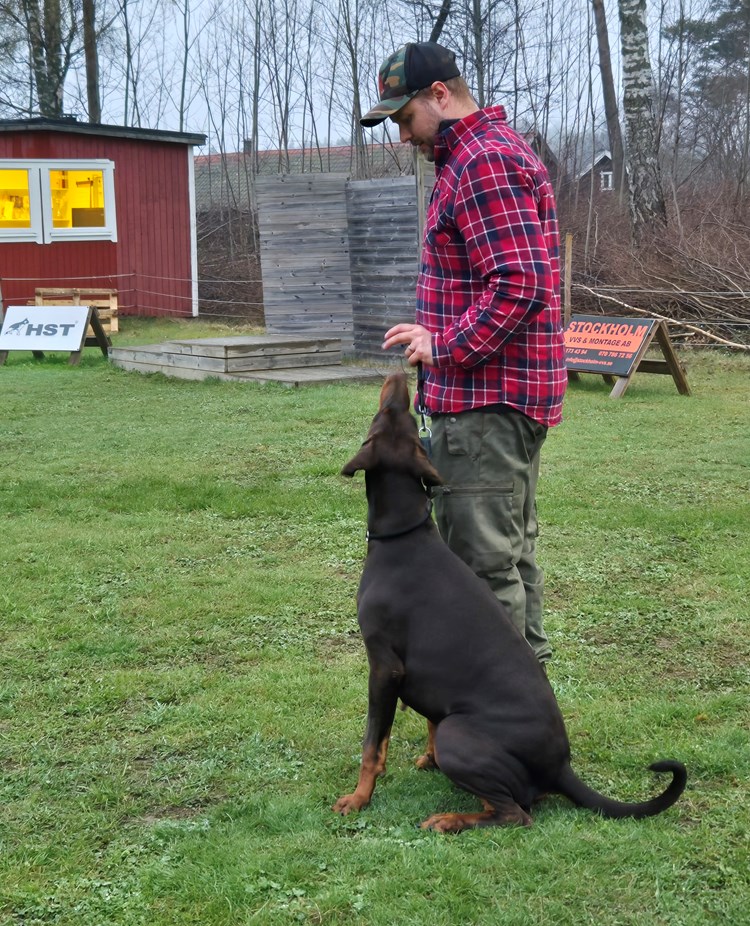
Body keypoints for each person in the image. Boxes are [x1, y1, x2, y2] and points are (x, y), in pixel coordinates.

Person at [360, 42, 567, 666]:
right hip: (495, 400)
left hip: (487, 404)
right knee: (508, 558)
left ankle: (501, 710)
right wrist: (434, 329)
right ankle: (527, 703)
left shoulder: (482, 162)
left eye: (405, 118)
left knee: (482, 571)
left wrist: (443, 343)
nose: (403, 136)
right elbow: (497, 278)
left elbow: (520, 283)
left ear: (440, 95)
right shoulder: (479, 157)